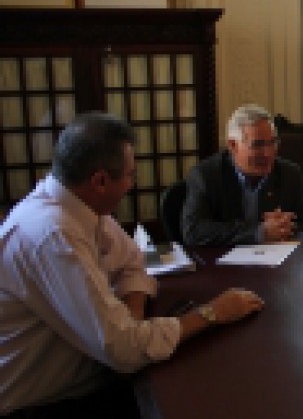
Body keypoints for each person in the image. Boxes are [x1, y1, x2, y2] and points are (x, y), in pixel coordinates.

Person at [0, 113, 264, 418]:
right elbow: (124, 352)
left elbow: (133, 261)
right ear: (100, 181)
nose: (131, 184)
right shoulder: (53, 235)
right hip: (43, 402)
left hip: (91, 376)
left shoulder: (78, 205)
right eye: (129, 175)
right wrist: (212, 313)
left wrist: (132, 316)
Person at [181, 104, 303, 246]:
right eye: (257, 145)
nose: (268, 153)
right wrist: (258, 232)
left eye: (273, 142)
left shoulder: (290, 174)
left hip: (275, 256)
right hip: (224, 257)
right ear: (233, 145)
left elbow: (300, 226)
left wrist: (284, 225)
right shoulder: (205, 176)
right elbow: (193, 231)